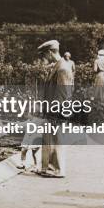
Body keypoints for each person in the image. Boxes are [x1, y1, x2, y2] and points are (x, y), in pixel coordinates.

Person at [37, 39, 70, 178]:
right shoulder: (59, 66)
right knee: (51, 139)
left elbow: (63, 93)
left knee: (56, 139)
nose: (44, 57)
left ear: (51, 52)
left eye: (45, 54)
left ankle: (57, 169)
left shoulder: (62, 68)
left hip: (57, 110)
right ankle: (49, 167)